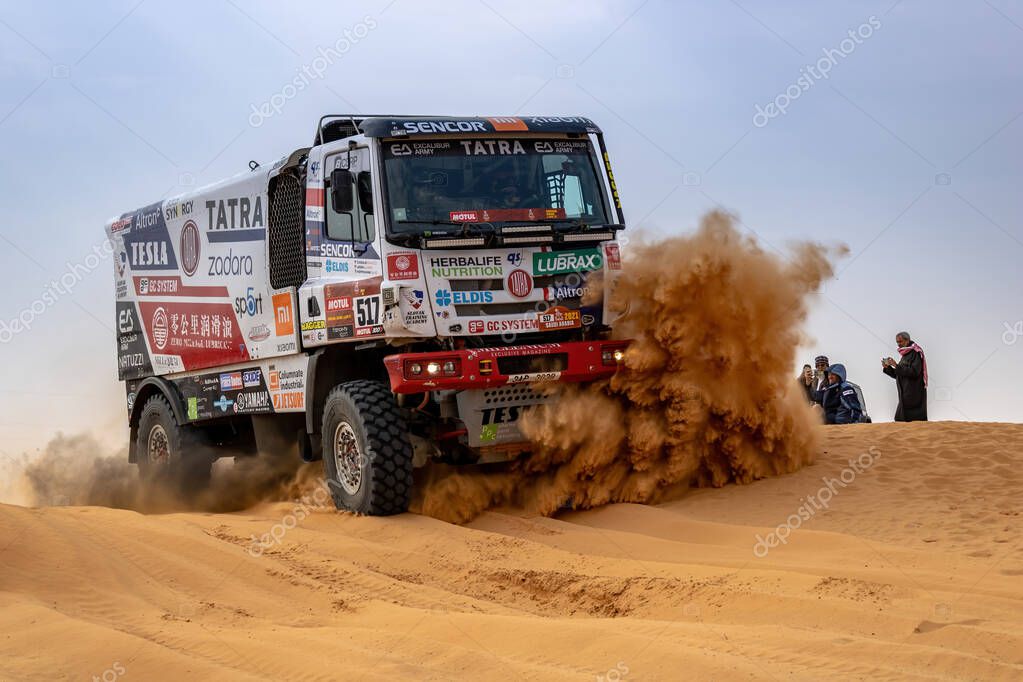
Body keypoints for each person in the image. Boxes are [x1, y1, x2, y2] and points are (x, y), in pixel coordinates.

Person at [882, 331, 928, 422]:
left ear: (907, 340)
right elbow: (899, 375)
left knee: (911, 421)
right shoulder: (905, 355)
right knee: (901, 420)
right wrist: (888, 368)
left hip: (913, 394)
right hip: (905, 394)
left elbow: (915, 372)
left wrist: (896, 365)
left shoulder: (915, 353)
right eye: (897, 342)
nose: (898, 344)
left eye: (900, 341)